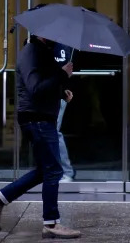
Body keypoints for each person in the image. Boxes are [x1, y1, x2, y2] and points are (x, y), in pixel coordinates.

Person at [0, 34, 81, 239]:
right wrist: (62, 75)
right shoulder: (31, 52)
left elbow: (45, 83)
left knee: (43, 171)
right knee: (54, 170)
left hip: (41, 117)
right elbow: (35, 88)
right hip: (36, 119)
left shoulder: (43, 52)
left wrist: (62, 92)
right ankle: (51, 223)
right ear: (40, 33)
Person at [52, 41, 76, 182]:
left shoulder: (61, 46)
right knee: (51, 131)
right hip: (51, 91)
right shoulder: (60, 45)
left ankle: (66, 171)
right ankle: (61, 170)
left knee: (54, 131)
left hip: (58, 92)